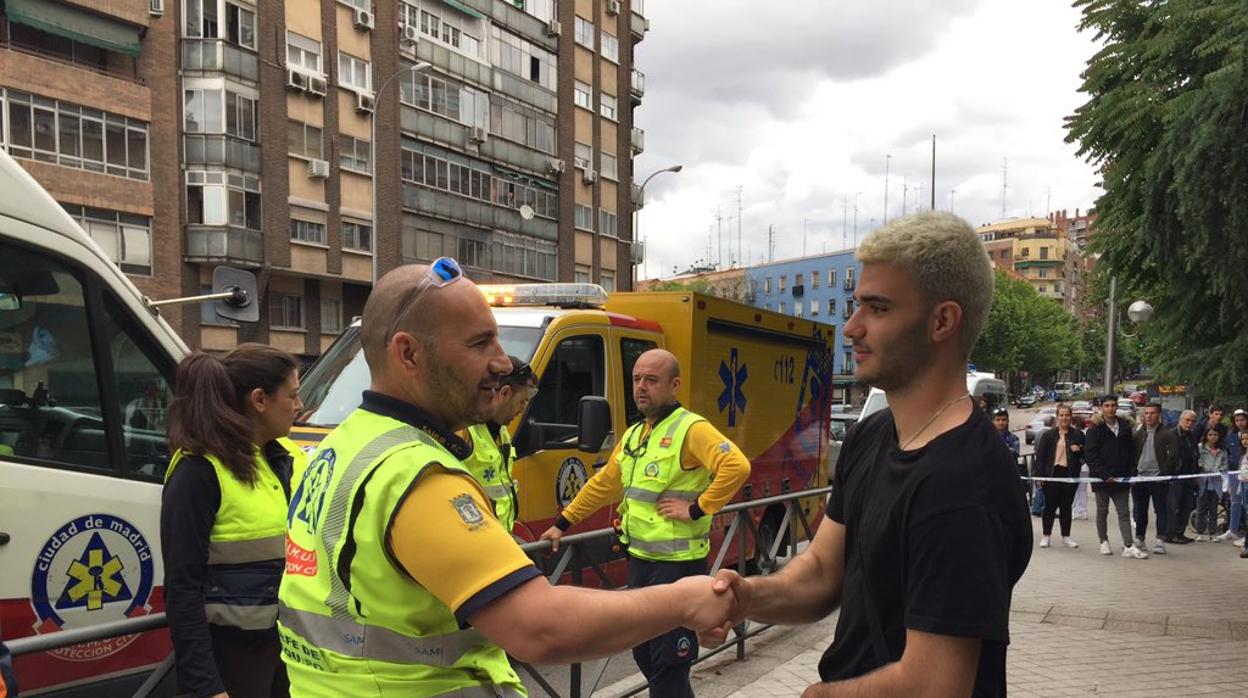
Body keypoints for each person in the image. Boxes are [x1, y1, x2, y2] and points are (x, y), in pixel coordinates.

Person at [277, 261, 736, 697]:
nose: (501, 364)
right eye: (480, 344)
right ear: (408, 354)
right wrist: (683, 601)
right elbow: (542, 627)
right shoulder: (414, 474)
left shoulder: (345, 444)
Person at [700, 212, 1032, 696]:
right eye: (857, 306)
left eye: (877, 309)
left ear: (943, 320)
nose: (851, 327)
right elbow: (821, 573)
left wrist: (822, 695)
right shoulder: (872, 435)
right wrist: (742, 597)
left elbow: (935, 685)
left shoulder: (962, 484)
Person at [539, 348, 751, 697]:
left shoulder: (691, 428)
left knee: (669, 662)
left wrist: (697, 508)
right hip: (641, 563)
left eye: (651, 380)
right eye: (637, 379)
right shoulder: (637, 433)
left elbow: (737, 466)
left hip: (678, 569)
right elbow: (603, 484)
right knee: (645, 655)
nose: (641, 387)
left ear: (674, 385)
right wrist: (563, 523)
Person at [161, 344, 307, 698]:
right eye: (293, 395)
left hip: (291, 650)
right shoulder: (198, 471)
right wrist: (205, 685)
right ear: (260, 400)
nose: (300, 407)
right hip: (233, 661)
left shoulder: (290, 458)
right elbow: (183, 588)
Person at [460, 355, 538, 535]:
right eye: (522, 401)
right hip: (474, 543)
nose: (522, 410)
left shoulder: (502, 433)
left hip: (497, 541)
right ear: (504, 393)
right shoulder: (465, 432)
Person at [1084, 395, 1147, 558]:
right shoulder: (1094, 430)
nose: (1110, 409)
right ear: (1101, 408)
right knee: (1102, 511)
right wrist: (1105, 475)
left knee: (1124, 512)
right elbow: (1091, 456)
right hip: (1102, 479)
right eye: (1107, 405)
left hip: (1122, 479)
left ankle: (1128, 544)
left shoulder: (1126, 428)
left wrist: (1131, 474)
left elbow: (1132, 452)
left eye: (1113, 405)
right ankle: (1103, 541)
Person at [1033, 404, 1083, 549]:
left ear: (1071, 416)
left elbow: (1085, 455)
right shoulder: (1048, 435)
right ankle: (1046, 536)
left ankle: (1066, 536)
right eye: (1061, 415)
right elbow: (1040, 457)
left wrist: (1079, 449)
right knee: (1049, 507)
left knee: (1066, 507)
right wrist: (1039, 476)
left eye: (1067, 415)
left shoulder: (1078, 435)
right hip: (1052, 474)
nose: (1064, 418)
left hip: (1069, 474)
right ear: (1057, 417)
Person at [1132, 402, 1177, 555]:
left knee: (1161, 510)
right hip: (1140, 478)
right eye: (1146, 413)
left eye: (1152, 413)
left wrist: (1163, 473)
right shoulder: (1139, 432)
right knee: (1140, 510)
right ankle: (1139, 538)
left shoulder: (1167, 433)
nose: (1149, 416)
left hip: (1158, 479)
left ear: (1159, 415)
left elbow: (1174, 456)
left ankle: (1160, 539)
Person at [1166, 410, 1200, 544]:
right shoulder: (1172, 435)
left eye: (1192, 421)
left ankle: (1180, 532)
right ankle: (1171, 534)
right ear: (1180, 420)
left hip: (1189, 476)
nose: (1189, 423)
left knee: (1187, 505)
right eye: (1187, 420)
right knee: (1173, 506)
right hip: (1175, 477)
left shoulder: (1191, 436)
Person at [1215, 408, 1248, 542]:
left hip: (1246, 474)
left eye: (1243, 420)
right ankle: (1232, 530)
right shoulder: (1231, 436)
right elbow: (1226, 453)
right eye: (1237, 420)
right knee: (1235, 502)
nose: (1240, 423)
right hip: (1234, 473)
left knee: (1246, 505)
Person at [1194, 426, 1227, 541]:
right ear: (1206, 436)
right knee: (1201, 509)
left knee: (1214, 509)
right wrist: (1205, 467)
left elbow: (1225, 465)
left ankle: (1212, 533)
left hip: (1216, 483)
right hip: (1203, 482)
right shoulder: (1200, 447)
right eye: (1210, 435)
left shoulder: (1222, 450)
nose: (1213, 437)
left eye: (1215, 435)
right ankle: (1200, 533)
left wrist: (1220, 469)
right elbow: (1197, 461)